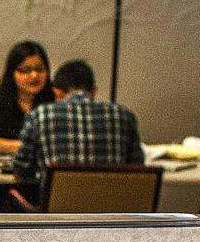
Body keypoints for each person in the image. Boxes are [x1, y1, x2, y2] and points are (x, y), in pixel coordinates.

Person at [11, 59, 143, 182]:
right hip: (113, 205)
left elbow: (21, 169)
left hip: (59, 205)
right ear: (94, 91)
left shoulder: (40, 116)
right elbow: (137, 169)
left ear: (57, 93)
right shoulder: (125, 116)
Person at [0, 41, 54, 155]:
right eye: (25, 71)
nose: (34, 76)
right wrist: (21, 146)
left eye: (40, 69)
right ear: (12, 74)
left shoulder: (54, 98)